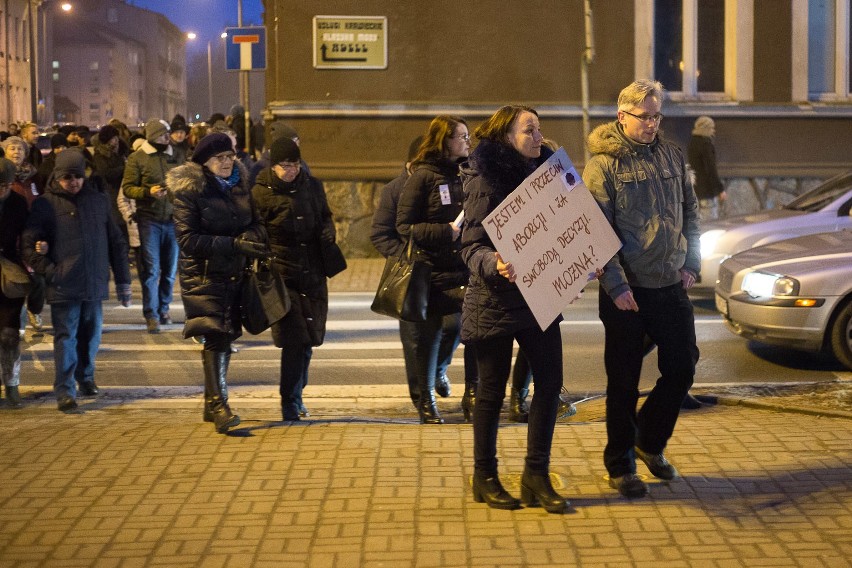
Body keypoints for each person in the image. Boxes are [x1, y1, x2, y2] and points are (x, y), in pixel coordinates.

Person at [582, 79, 700, 499]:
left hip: (670, 284)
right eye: (644, 116)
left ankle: (648, 441)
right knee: (624, 381)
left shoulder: (672, 155)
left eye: (656, 115)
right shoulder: (603, 166)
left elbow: (691, 211)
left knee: (683, 366)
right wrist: (615, 286)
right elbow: (596, 232)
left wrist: (692, 261)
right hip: (628, 291)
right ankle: (620, 465)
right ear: (622, 116)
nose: (652, 124)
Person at [460, 105, 569, 513]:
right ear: (507, 136)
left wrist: (578, 264)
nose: (539, 136)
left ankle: (535, 475)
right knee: (491, 392)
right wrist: (496, 263)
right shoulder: (486, 178)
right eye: (529, 130)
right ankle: (484, 476)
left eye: (540, 129)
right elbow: (470, 247)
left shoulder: (548, 176)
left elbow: (563, 233)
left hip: (540, 296)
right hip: (495, 298)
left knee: (550, 382)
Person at [167, 133, 268, 434]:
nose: (226, 162)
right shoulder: (190, 191)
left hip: (235, 272)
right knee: (215, 335)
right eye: (219, 158)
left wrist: (252, 238)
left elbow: (257, 223)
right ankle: (219, 406)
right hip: (203, 274)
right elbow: (187, 239)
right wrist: (234, 245)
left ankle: (211, 405)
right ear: (204, 162)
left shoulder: (240, 185)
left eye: (230, 156)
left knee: (226, 335)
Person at [22, 149, 132, 412]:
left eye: (78, 176)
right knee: (67, 337)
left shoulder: (97, 201)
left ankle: (86, 377)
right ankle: (65, 389)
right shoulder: (45, 204)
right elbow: (28, 245)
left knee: (91, 336)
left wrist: (123, 281)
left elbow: (116, 242)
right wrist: (50, 270)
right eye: (67, 177)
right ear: (57, 177)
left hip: (93, 282)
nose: (73, 182)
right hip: (64, 283)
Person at [251, 137, 337, 421]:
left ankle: (298, 394)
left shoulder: (312, 186)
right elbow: (255, 229)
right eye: (285, 166)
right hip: (281, 273)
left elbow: (325, 217)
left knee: (310, 338)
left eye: (295, 165)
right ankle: (289, 400)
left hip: (312, 271)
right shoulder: (261, 193)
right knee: (294, 338)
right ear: (273, 166)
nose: (291, 171)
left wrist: (328, 232)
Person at [396, 116, 473, 425]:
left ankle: (456, 380)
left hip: (461, 268)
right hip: (430, 272)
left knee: (461, 327)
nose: (468, 142)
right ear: (445, 141)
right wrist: (445, 232)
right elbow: (404, 226)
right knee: (427, 338)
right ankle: (427, 402)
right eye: (462, 137)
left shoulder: (466, 174)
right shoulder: (423, 177)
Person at [121, 118, 185, 333]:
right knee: (151, 269)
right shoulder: (137, 158)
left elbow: (184, 181)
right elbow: (128, 188)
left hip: (172, 218)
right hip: (149, 218)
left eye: (167, 133)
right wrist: (148, 192)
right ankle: (152, 314)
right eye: (163, 133)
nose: (168, 137)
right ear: (152, 136)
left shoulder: (175, 154)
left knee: (170, 270)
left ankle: (164, 308)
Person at [1, 136, 45, 333]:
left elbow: (43, 199)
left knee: (36, 279)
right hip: (10, 241)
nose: (17, 152)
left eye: (20, 148)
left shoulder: (34, 176)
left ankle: (32, 310)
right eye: (12, 148)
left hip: (25, 235)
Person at [0, 158, 28, 408]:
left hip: (11, 272)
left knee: (9, 335)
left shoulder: (18, 203)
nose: (2, 191)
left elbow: (26, 236)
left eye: (6, 185)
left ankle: (12, 384)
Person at [688, 115, 726, 220]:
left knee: (698, 222)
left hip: (695, 188)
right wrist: (720, 189)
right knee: (710, 221)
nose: (713, 131)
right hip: (707, 190)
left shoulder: (692, 143)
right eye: (711, 128)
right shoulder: (706, 144)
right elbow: (711, 169)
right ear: (706, 128)